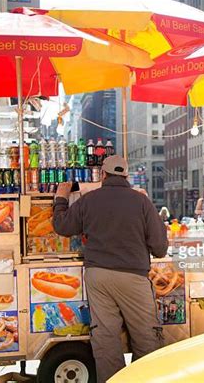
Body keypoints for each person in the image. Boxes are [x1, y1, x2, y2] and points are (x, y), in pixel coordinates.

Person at [52, 155, 168, 383]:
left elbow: (63, 226)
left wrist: (60, 199)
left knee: (105, 338)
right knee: (147, 338)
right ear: (126, 175)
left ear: (103, 175)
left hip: (98, 276)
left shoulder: (89, 200)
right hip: (133, 276)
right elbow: (160, 248)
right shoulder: (142, 201)